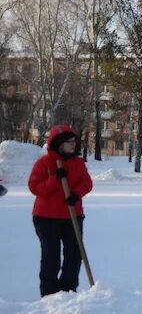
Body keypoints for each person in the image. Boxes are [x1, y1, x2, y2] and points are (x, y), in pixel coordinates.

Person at [28, 125, 93, 297]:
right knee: (51, 258)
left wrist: (76, 194)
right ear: (58, 144)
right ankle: (49, 296)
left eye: (74, 141)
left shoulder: (78, 163)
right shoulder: (44, 163)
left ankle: (68, 293)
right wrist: (54, 179)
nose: (73, 144)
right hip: (46, 218)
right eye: (69, 141)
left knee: (74, 256)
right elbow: (35, 187)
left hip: (73, 216)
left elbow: (87, 183)